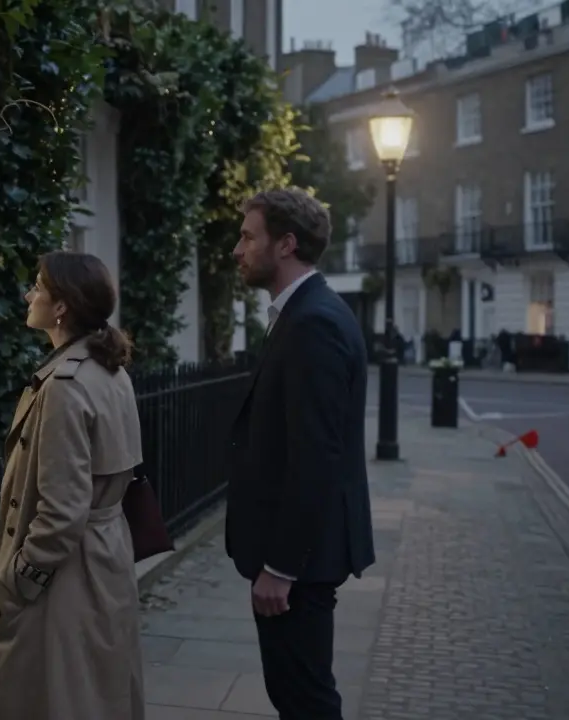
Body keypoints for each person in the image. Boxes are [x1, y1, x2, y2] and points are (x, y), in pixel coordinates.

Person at [226, 188, 376, 719]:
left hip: (300, 565)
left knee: (306, 700)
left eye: (248, 236)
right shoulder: (304, 313)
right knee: (296, 696)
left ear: (286, 244)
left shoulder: (313, 322)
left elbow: (316, 457)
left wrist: (281, 567)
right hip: (300, 558)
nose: (237, 249)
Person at [0, 251, 145, 720]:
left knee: (57, 701)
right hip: (104, 560)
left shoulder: (66, 384)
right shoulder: (109, 369)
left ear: (62, 307)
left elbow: (61, 511)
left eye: (37, 286)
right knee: (96, 695)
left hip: (67, 581)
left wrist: (18, 581)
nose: (29, 296)